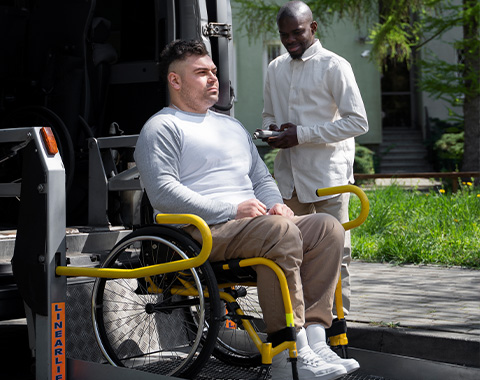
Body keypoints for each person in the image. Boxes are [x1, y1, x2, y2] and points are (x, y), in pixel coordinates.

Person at [134, 39, 360, 379]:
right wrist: (231, 209)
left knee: (328, 227)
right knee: (278, 233)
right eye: (201, 73)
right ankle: (288, 356)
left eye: (213, 71)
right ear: (175, 81)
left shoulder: (231, 126)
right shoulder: (161, 128)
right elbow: (164, 194)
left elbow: (261, 177)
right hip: (200, 231)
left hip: (252, 226)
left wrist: (276, 205)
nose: (213, 79)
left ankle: (315, 342)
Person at [262, 1, 369, 314]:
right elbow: (269, 114)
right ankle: (298, 331)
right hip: (289, 181)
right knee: (287, 253)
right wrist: (271, 133)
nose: (290, 40)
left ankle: (337, 330)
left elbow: (358, 122)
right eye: (284, 35)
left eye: (297, 32)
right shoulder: (274, 68)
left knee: (337, 256)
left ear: (314, 27)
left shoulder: (335, 66)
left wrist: (301, 134)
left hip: (328, 180)